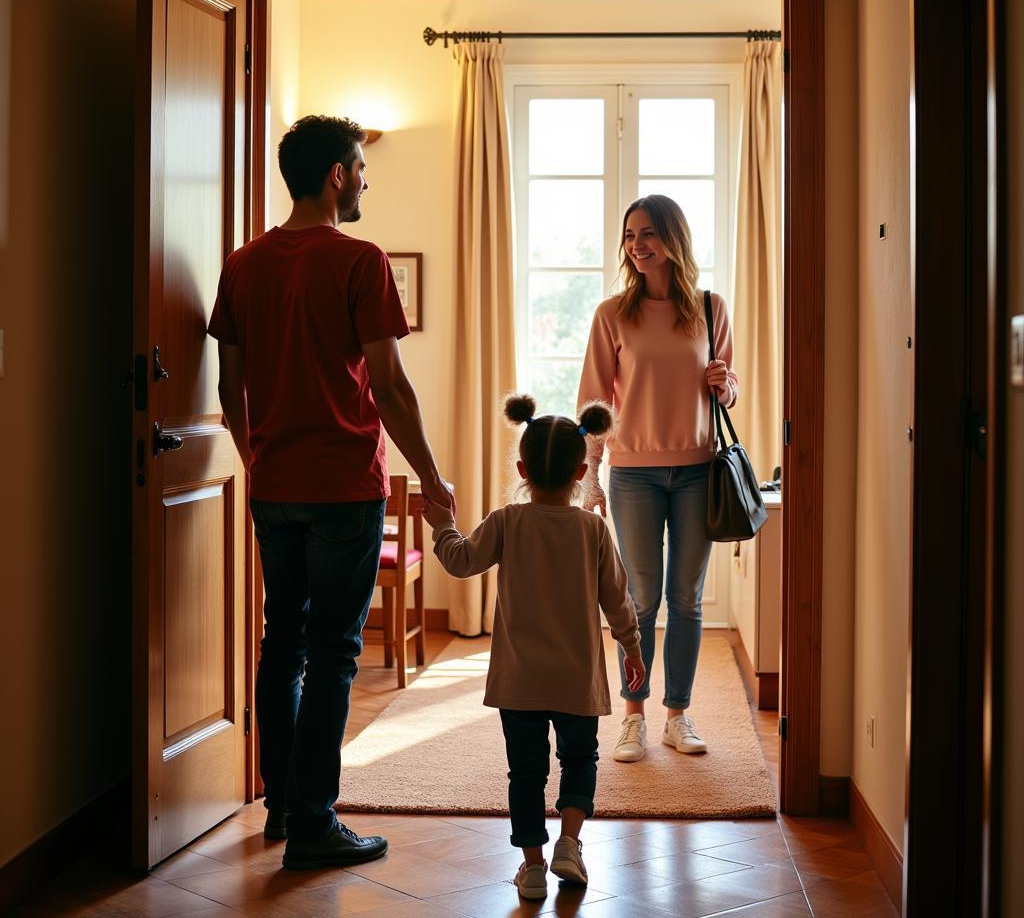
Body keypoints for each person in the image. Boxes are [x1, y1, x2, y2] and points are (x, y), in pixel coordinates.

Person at [208, 114, 455, 871]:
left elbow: (229, 384)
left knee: (280, 644)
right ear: (338, 175)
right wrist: (437, 480)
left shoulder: (244, 263)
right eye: (361, 168)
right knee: (335, 653)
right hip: (345, 489)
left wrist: (259, 460)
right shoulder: (359, 260)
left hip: (274, 487)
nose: (367, 182)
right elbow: (390, 386)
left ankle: (282, 807)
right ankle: (315, 824)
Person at [422, 393, 644, 901]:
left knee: (524, 771)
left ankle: (533, 867)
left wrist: (441, 524)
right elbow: (617, 599)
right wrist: (631, 648)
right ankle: (569, 842)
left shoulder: (507, 521)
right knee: (579, 759)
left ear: (522, 468)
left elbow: (459, 560)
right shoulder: (592, 529)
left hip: (519, 682)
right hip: (575, 678)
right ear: (582, 471)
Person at [576, 193, 738, 764]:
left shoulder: (710, 307)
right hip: (633, 475)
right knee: (640, 599)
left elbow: (730, 387)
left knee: (686, 600)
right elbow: (594, 401)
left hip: (698, 471)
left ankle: (678, 714)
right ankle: (634, 716)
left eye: (646, 234)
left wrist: (725, 384)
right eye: (629, 235)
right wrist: (590, 473)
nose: (636, 245)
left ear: (672, 238)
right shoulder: (612, 314)